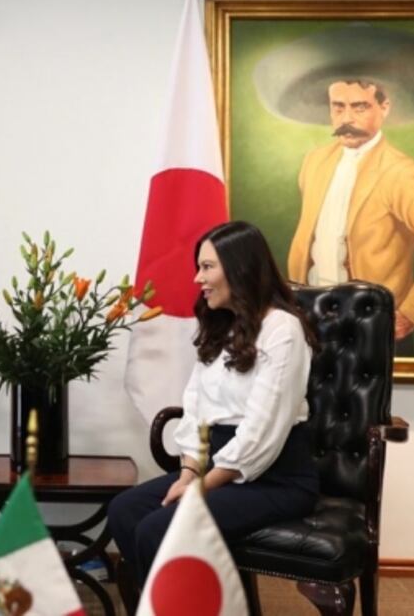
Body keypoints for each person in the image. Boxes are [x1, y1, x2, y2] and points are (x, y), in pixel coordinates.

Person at [108, 221, 319, 587]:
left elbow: (261, 433)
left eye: (207, 267)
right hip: (216, 470)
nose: (197, 278)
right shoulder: (223, 326)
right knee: (124, 510)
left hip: (275, 479)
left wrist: (201, 487)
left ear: (239, 268)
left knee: (158, 529)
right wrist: (188, 475)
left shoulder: (283, 330)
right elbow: (196, 411)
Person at [287, 79, 414, 354]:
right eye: (338, 107)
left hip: (373, 333)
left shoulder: (402, 173)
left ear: (384, 107)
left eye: (359, 107)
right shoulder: (314, 162)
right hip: (312, 328)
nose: (346, 118)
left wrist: (411, 312)